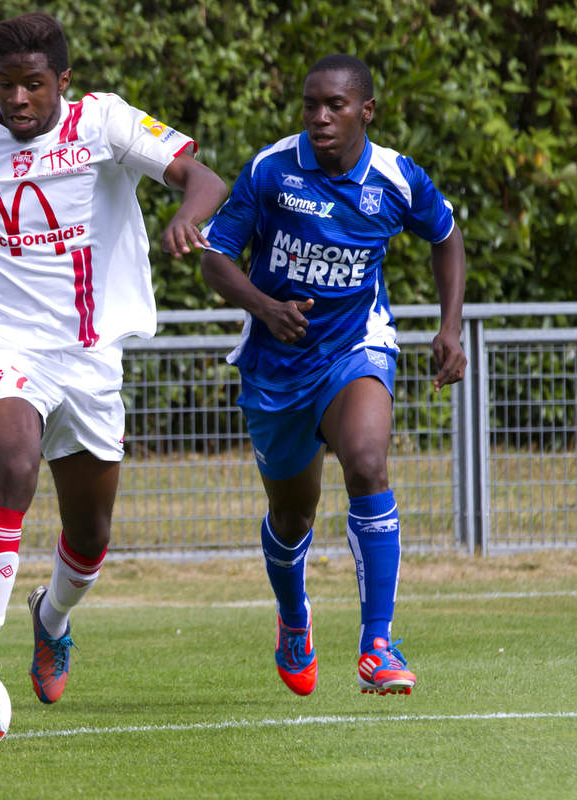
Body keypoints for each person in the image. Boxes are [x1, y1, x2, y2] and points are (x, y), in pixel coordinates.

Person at [0, 13, 226, 704]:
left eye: (33, 85)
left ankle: (53, 616)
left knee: (90, 537)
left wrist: (187, 216)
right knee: (13, 463)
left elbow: (204, 178)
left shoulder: (104, 123)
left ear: (62, 81)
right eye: (5, 84)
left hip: (89, 355)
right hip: (1, 342)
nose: (17, 99)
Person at [199, 54, 466, 696]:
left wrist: (450, 327)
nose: (320, 117)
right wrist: (266, 308)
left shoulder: (396, 178)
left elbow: (447, 235)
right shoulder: (271, 169)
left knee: (368, 463)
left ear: (364, 111)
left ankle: (378, 644)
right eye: (311, 105)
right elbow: (214, 257)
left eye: (335, 106)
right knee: (292, 517)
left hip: (356, 347)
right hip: (275, 367)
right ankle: (294, 616)